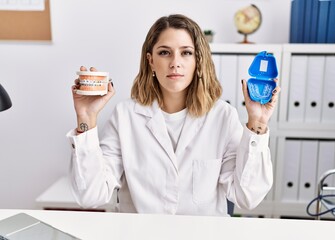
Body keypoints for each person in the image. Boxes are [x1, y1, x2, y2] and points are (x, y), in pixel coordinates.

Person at [67, 14, 280, 216]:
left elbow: (247, 197)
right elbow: (91, 195)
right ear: (150, 61)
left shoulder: (223, 117)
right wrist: (86, 118)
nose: (175, 62)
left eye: (186, 52)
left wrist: (258, 123)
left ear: (198, 60)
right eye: (164, 52)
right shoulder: (125, 116)